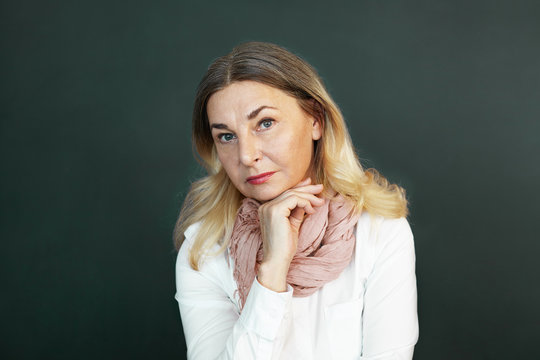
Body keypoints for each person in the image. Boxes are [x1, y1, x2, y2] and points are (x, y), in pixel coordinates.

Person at [173, 41, 418, 360]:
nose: (247, 156)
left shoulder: (379, 231)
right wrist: (272, 268)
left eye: (265, 123)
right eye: (227, 136)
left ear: (315, 119)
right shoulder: (204, 249)